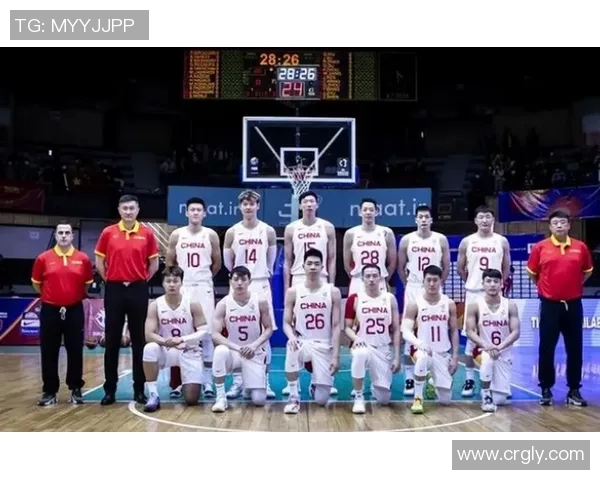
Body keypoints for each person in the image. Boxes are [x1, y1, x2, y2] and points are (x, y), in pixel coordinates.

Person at [95, 194, 160, 405]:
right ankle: (110, 390)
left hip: (138, 289)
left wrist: (139, 281)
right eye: (125, 208)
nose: (129, 212)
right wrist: (112, 280)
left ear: (138, 210)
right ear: (119, 210)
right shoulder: (108, 232)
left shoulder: (147, 233)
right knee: (112, 340)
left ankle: (139, 389)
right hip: (114, 289)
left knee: (139, 340)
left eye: (132, 208)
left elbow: (154, 266)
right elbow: (99, 262)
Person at [526, 210, 593, 407]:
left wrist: (573, 286)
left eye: (563, 222)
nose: (559, 225)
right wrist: (546, 289)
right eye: (555, 222)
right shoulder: (541, 247)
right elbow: (532, 273)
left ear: (569, 225)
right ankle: (546, 389)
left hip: (573, 304)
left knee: (575, 348)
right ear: (550, 226)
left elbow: (587, 272)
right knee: (546, 348)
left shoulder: (580, 247)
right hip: (550, 305)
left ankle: (574, 389)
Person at [222, 190, 277, 399]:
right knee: (236, 332)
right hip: (238, 284)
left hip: (260, 282)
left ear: (257, 206)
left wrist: (259, 274)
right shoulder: (232, 232)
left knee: (265, 333)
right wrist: (239, 279)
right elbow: (229, 264)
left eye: (252, 203)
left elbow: (270, 261)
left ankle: (264, 380)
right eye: (244, 204)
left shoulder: (268, 230)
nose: (248, 207)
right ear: (240, 206)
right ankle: (238, 382)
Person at [32, 222, 94, 406]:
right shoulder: (43, 258)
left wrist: (71, 296)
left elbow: (87, 284)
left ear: (72, 236)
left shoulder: (83, 259)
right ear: (56, 235)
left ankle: (75, 388)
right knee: (49, 351)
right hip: (50, 310)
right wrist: (52, 297)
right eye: (61, 232)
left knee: (75, 350)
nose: (64, 235)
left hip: (74, 310)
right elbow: (36, 283)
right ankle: (49, 391)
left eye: (67, 232)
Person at [165, 197, 221, 398]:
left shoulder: (211, 234)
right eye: (192, 209)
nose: (196, 213)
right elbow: (170, 263)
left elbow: (217, 263)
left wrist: (203, 277)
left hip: (204, 286)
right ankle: (180, 381)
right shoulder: (177, 235)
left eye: (199, 210)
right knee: (182, 330)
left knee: (206, 333)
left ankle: (207, 381)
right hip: (184, 286)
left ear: (204, 213)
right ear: (186, 212)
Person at [283, 190, 337, 396]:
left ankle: (325, 376)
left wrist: (331, 283)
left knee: (324, 327)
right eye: (305, 201)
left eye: (312, 201)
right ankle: (293, 381)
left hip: (321, 277)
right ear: (300, 205)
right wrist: (287, 286)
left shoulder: (327, 227)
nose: (308, 204)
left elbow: (331, 258)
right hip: (298, 277)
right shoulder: (291, 228)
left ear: (317, 204)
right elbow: (287, 260)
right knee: (296, 327)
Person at [457, 206, 510, 397]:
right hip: (474, 293)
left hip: (495, 294)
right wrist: (474, 283)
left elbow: (506, 267)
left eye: (488, 217)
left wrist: (496, 285)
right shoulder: (467, 241)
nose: (485, 220)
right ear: (476, 221)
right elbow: (460, 268)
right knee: (471, 339)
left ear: (493, 220)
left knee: (497, 336)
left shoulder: (501, 241)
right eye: (481, 217)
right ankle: (469, 379)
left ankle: (498, 380)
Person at [396, 205, 450, 396]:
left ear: (431, 220)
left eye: (427, 217)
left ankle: (433, 376)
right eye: (421, 217)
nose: (424, 220)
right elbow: (400, 267)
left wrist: (436, 285)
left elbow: (446, 266)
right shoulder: (407, 240)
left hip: (434, 287)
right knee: (410, 332)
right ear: (416, 219)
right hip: (413, 286)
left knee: (435, 331)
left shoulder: (440, 239)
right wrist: (410, 285)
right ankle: (409, 379)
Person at [282, 248, 342, 414]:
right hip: (303, 342)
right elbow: (286, 323)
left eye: (316, 264)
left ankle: (316, 382)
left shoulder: (333, 291)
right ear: (303, 267)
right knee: (291, 346)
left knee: (322, 400)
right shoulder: (293, 291)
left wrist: (336, 355)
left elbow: (337, 325)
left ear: (323, 267)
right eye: (309, 263)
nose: (313, 267)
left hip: (324, 344)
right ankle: (294, 397)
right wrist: (291, 336)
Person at [142, 266, 209, 412]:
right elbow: (148, 334)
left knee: (191, 400)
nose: (172, 284)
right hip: (168, 350)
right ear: (163, 283)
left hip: (189, 349)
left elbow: (203, 330)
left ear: (181, 283)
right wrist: (167, 342)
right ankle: (153, 394)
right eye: (168, 281)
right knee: (149, 348)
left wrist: (182, 339)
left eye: (175, 281)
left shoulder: (192, 303)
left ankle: (191, 381)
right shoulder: (155, 305)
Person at [211, 266, 274, 412]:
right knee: (220, 351)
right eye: (236, 279)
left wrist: (254, 345)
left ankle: (249, 385)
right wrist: (237, 348)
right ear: (230, 282)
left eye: (243, 279)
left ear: (250, 281)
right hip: (234, 352)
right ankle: (220, 398)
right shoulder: (223, 304)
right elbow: (215, 334)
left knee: (259, 400)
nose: (239, 283)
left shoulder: (260, 301)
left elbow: (269, 329)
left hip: (253, 352)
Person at [401, 265, 459, 414]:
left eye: (435, 280)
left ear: (441, 281)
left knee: (445, 400)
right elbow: (405, 330)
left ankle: (431, 379)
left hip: (442, 352)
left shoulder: (449, 304)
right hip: (421, 349)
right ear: (423, 281)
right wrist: (419, 343)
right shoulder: (414, 304)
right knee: (423, 358)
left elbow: (454, 331)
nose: (432, 284)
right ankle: (418, 398)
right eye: (429, 280)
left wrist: (455, 357)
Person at [344, 264, 401, 414]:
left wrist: (396, 357)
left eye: (375, 276)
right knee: (360, 354)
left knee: (384, 400)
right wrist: (356, 338)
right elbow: (347, 327)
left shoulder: (390, 299)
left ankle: (376, 385)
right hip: (363, 344)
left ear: (380, 278)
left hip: (382, 347)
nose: (371, 279)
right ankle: (358, 396)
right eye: (368, 276)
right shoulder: (354, 299)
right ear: (362, 278)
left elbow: (396, 329)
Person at [464, 268, 520, 412]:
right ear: (483, 284)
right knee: (488, 358)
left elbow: (516, 332)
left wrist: (499, 347)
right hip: (481, 350)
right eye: (488, 281)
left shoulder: (510, 305)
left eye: (496, 281)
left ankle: (491, 388)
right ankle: (486, 395)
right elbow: (469, 331)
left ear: (501, 284)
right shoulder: (474, 306)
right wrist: (486, 346)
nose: (492, 284)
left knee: (500, 400)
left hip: (503, 353)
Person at [343, 198, 396, 295]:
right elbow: (347, 264)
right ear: (360, 212)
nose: (368, 212)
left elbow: (392, 262)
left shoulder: (386, 232)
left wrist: (384, 278)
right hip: (358, 280)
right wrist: (356, 277)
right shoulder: (351, 233)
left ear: (377, 212)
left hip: (379, 279)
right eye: (365, 210)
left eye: (371, 210)